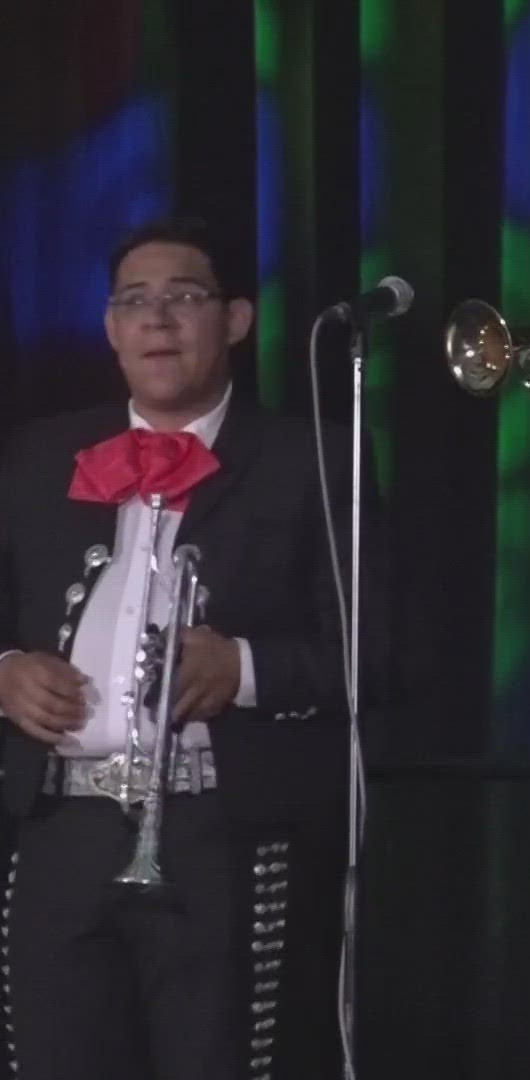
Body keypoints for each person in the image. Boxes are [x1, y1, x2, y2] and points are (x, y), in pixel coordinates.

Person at [0, 216, 365, 1079]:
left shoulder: (308, 456)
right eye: (135, 302)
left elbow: (380, 649)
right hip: (61, 830)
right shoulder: (39, 453)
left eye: (183, 298)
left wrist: (241, 668)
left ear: (236, 320)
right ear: (110, 328)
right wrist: (5, 673)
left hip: (219, 837)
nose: (157, 321)